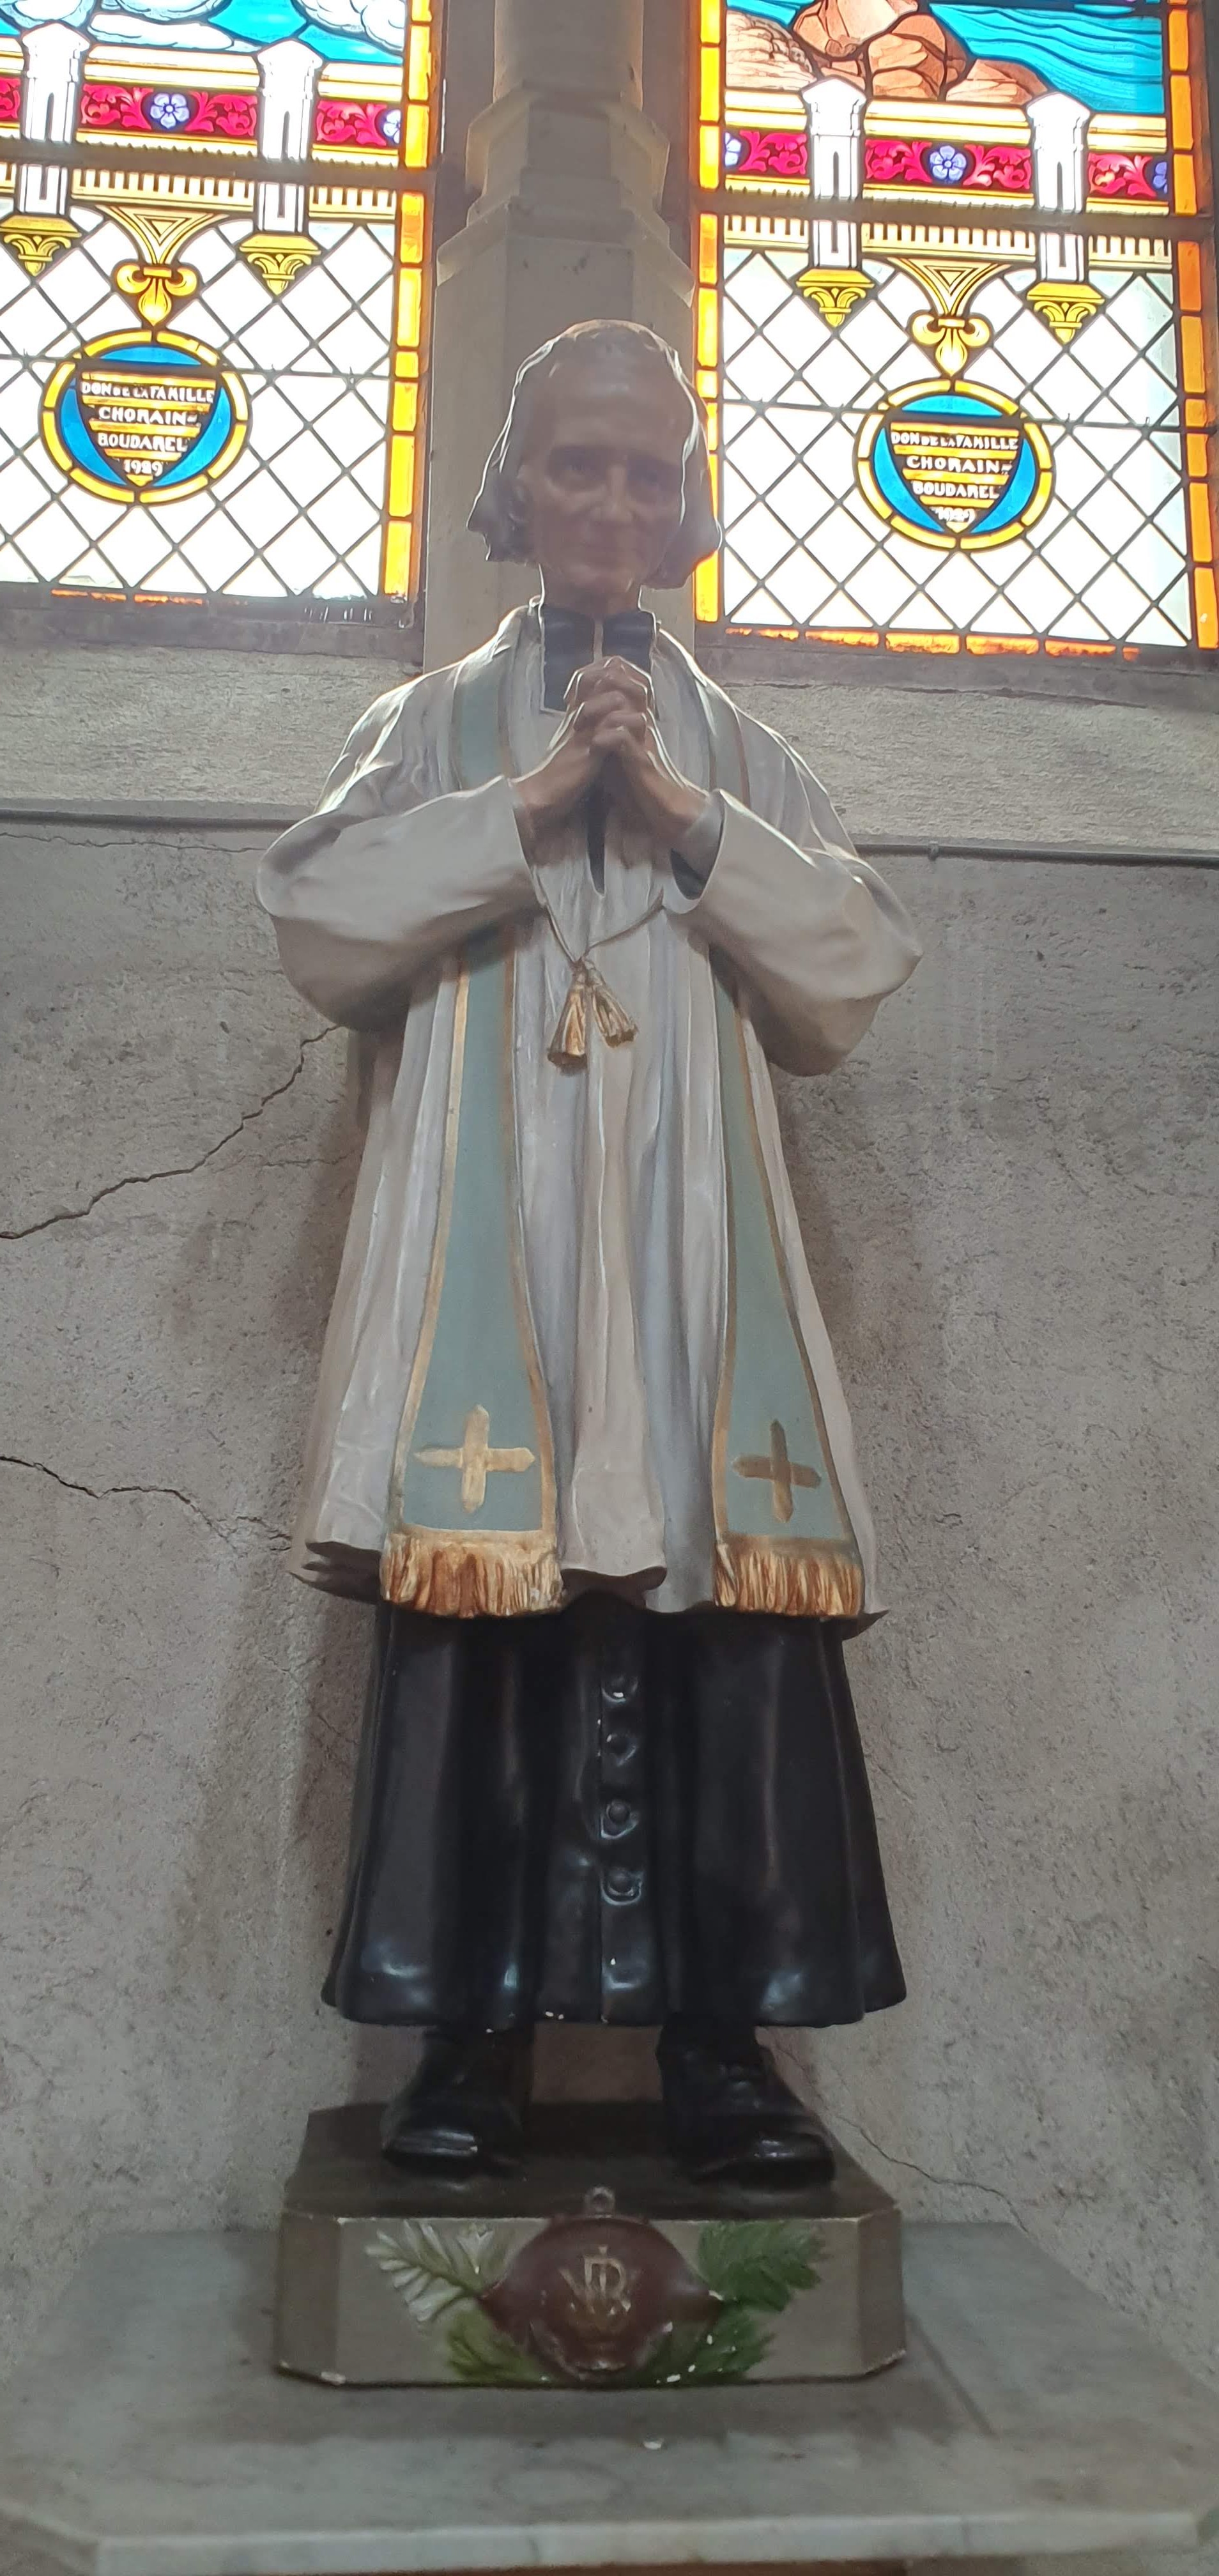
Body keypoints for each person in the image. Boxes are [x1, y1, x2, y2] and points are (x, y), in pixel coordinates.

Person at [259, 319, 921, 2182]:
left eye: (649, 471)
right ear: (515, 491)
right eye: (578, 465)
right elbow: (317, 920)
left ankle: (725, 2051)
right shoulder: (426, 728)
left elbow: (850, 971)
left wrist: (682, 817)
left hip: (692, 1248)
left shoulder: (748, 753)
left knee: (721, 1615)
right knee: (482, 1610)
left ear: (687, 505)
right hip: (491, 1235)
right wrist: (537, 804)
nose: (615, 503)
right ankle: (462, 2048)